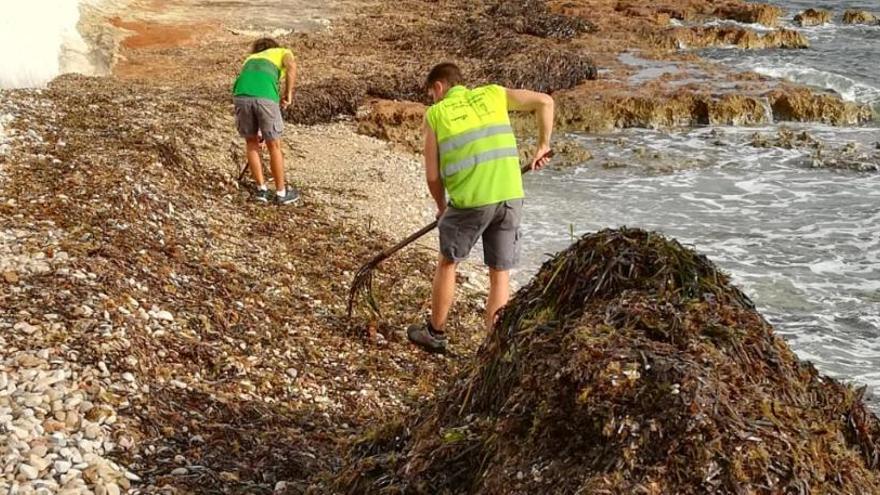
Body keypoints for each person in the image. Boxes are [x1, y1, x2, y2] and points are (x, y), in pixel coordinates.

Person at [407, 62, 554, 353]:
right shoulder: (493, 94)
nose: (432, 99)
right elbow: (545, 102)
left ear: (439, 87)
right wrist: (543, 145)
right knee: (499, 272)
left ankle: (435, 333)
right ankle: (493, 347)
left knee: (449, 262)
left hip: (471, 202)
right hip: (510, 194)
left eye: (431, 93)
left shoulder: (437, 114)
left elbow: (433, 175)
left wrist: (441, 207)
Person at [233, 37, 300, 205]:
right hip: (265, 97)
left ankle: (261, 190)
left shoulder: (250, 59)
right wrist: (289, 95)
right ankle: (281, 193)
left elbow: (253, 83)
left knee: (251, 142)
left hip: (240, 95)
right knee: (274, 145)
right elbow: (291, 67)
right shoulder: (283, 52)